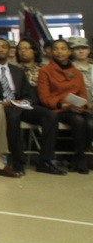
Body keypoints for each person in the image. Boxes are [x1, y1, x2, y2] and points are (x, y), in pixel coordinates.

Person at [0, 36, 64, 175]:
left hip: (20, 105)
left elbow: (28, 94)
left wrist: (23, 102)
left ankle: (45, 160)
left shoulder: (17, 71)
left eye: (4, 47)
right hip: (0, 107)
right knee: (13, 116)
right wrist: (1, 103)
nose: (0, 49)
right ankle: (18, 161)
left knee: (50, 115)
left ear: (10, 50)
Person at [37, 39, 93, 174]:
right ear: (51, 52)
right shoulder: (45, 71)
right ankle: (80, 159)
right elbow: (44, 97)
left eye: (63, 49)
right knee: (77, 120)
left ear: (69, 52)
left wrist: (83, 105)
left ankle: (79, 156)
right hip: (58, 108)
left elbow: (83, 95)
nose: (59, 52)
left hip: (76, 108)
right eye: (56, 49)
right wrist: (65, 105)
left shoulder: (77, 72)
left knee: (90, 122)